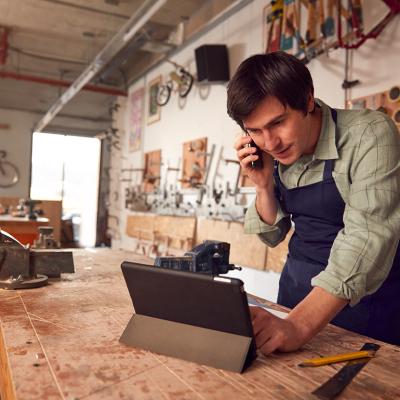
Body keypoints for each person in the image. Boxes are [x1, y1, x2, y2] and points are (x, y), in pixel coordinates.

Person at [227, 51, 400, 354]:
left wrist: (299, 326)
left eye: (278, 122)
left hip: (364, 302)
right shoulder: (274, 152)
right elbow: (272, 235)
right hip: (295, 296)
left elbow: (367, 237)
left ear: (308, 100)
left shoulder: (369, 134)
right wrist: (263, 185)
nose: (270, 143)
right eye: (254, 130)